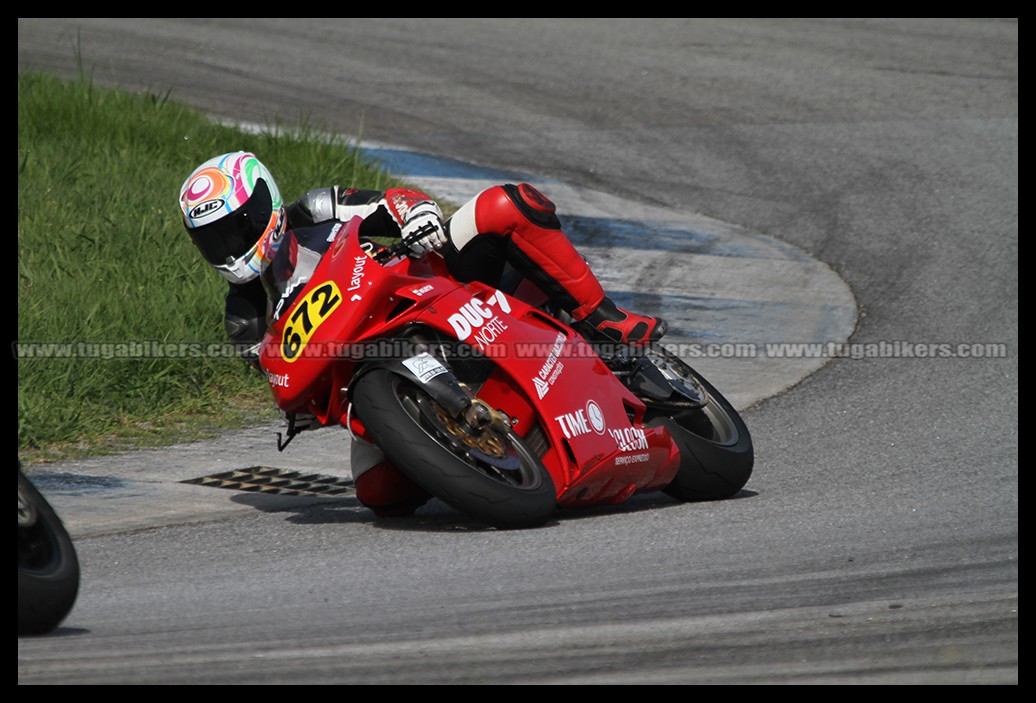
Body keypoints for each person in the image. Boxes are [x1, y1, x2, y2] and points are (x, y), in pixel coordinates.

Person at [179, 151, 667, 517]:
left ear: (263, 202)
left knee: (503, 205)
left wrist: (417, 215)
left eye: (236, 228)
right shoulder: (246, 316)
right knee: (378, 493)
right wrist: (305, 407)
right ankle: (476, 453)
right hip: (371, 370)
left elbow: (389, 202)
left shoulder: (315, 210)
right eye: (214, 239)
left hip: (435, 287)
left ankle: (603, 320)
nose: (231, 245)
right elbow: (280, 377)